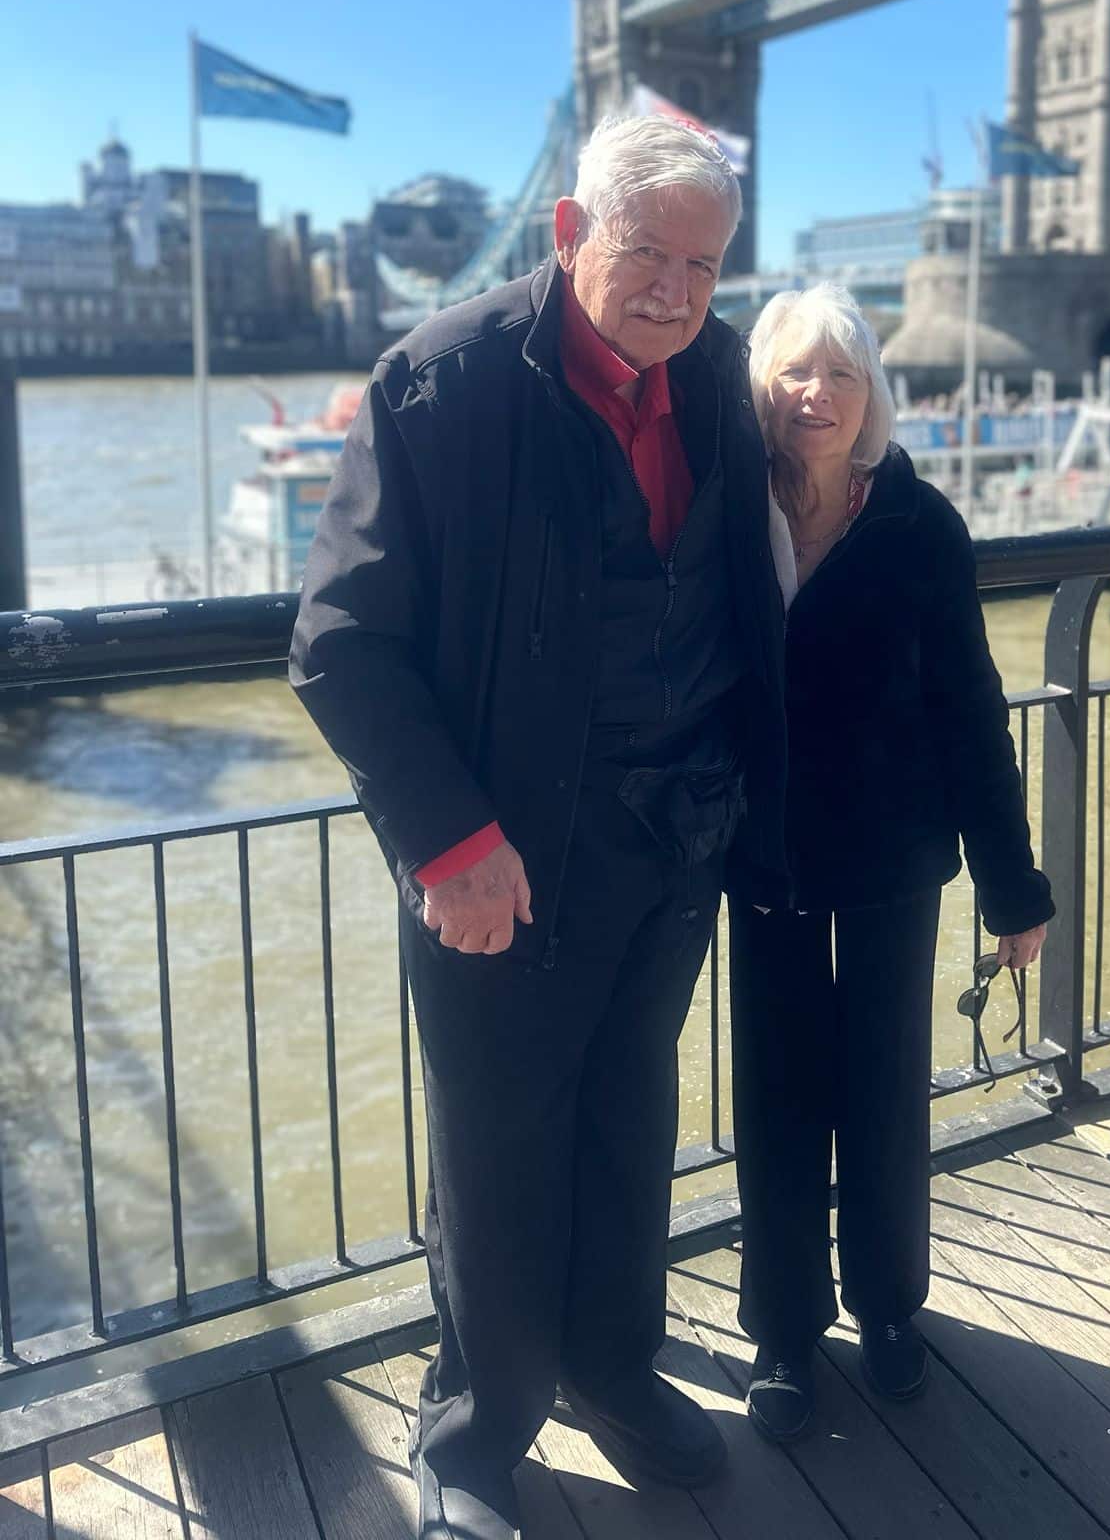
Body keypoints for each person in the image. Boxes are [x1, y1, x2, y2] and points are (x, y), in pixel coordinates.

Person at [290, 115, 790, 1540]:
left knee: (631, 1121)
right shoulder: (440, 382)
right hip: (503, 856)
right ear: (570, 232)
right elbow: (340, 641)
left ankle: (612, 1368)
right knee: (499, 1148)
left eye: (704, 266)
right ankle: (475, 1430)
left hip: (673, 836)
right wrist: (447, 844)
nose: (677, 292)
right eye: (648, 254)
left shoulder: (719, 373)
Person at [730, 283, 1053, 1443]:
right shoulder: (726, 510)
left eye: (842, 372)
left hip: (892, 853)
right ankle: (782, 1326)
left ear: (871, 395)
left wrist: (1012, 884)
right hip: (764, 852)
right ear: (761, 386)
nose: (817, 393)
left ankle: (886, 1303)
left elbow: (971, 707)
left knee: (881, 1089)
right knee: (774, 1093)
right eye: (795, 370)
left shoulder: (921, 526)